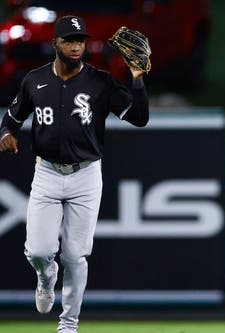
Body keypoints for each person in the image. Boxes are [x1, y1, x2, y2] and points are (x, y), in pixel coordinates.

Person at [0, 15, 149, 333]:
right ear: (55, 43)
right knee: (39, 251)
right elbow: (11, 119)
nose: (76, 45)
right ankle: (45, 276)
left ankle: (68, 324)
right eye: (69, 40)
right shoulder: (34, 80)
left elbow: (138, 118)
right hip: (47, 173)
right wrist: (5, 134)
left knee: (76, 254)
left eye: (80, 40)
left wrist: (137, 78)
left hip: (86, 175)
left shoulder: (101, 82)